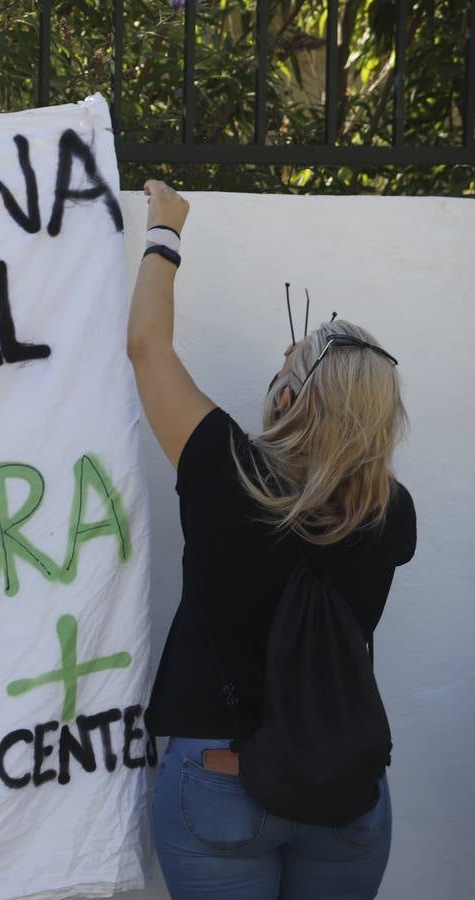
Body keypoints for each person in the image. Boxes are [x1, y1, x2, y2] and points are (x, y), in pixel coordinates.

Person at [128, 181, 416, 899]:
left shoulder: (228, 472)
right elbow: (334, 469)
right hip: (345, 791)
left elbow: (146, 348)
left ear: (289, 399)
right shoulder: (390, 513)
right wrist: (316, 376)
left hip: (220, 785)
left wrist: (167, 228)